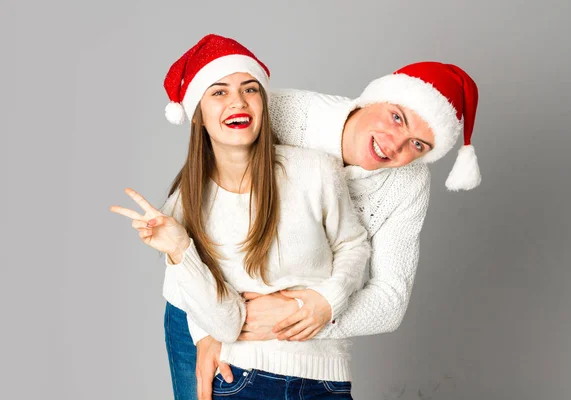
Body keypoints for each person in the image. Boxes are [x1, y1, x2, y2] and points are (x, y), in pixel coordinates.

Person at [186, 62, 481, 400]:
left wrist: (314, 309)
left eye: (418, 145)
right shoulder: (285, 111)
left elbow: (390, 300)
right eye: (397, 117)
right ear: (375, 98)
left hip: (309, 358)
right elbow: (194, 208)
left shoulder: (409, 183)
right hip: (205, 309)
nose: (395, 144)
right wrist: (207, 331)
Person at [110, 34, 370, 399]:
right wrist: (180, 250)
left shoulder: (315, 171)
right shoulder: (183, 207)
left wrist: (329, 300)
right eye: (218, 92)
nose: (238, 102)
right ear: (197, 116)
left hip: (325, 380)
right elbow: (224, 323)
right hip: (242, 380)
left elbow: (354, 245)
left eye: (249, 89)